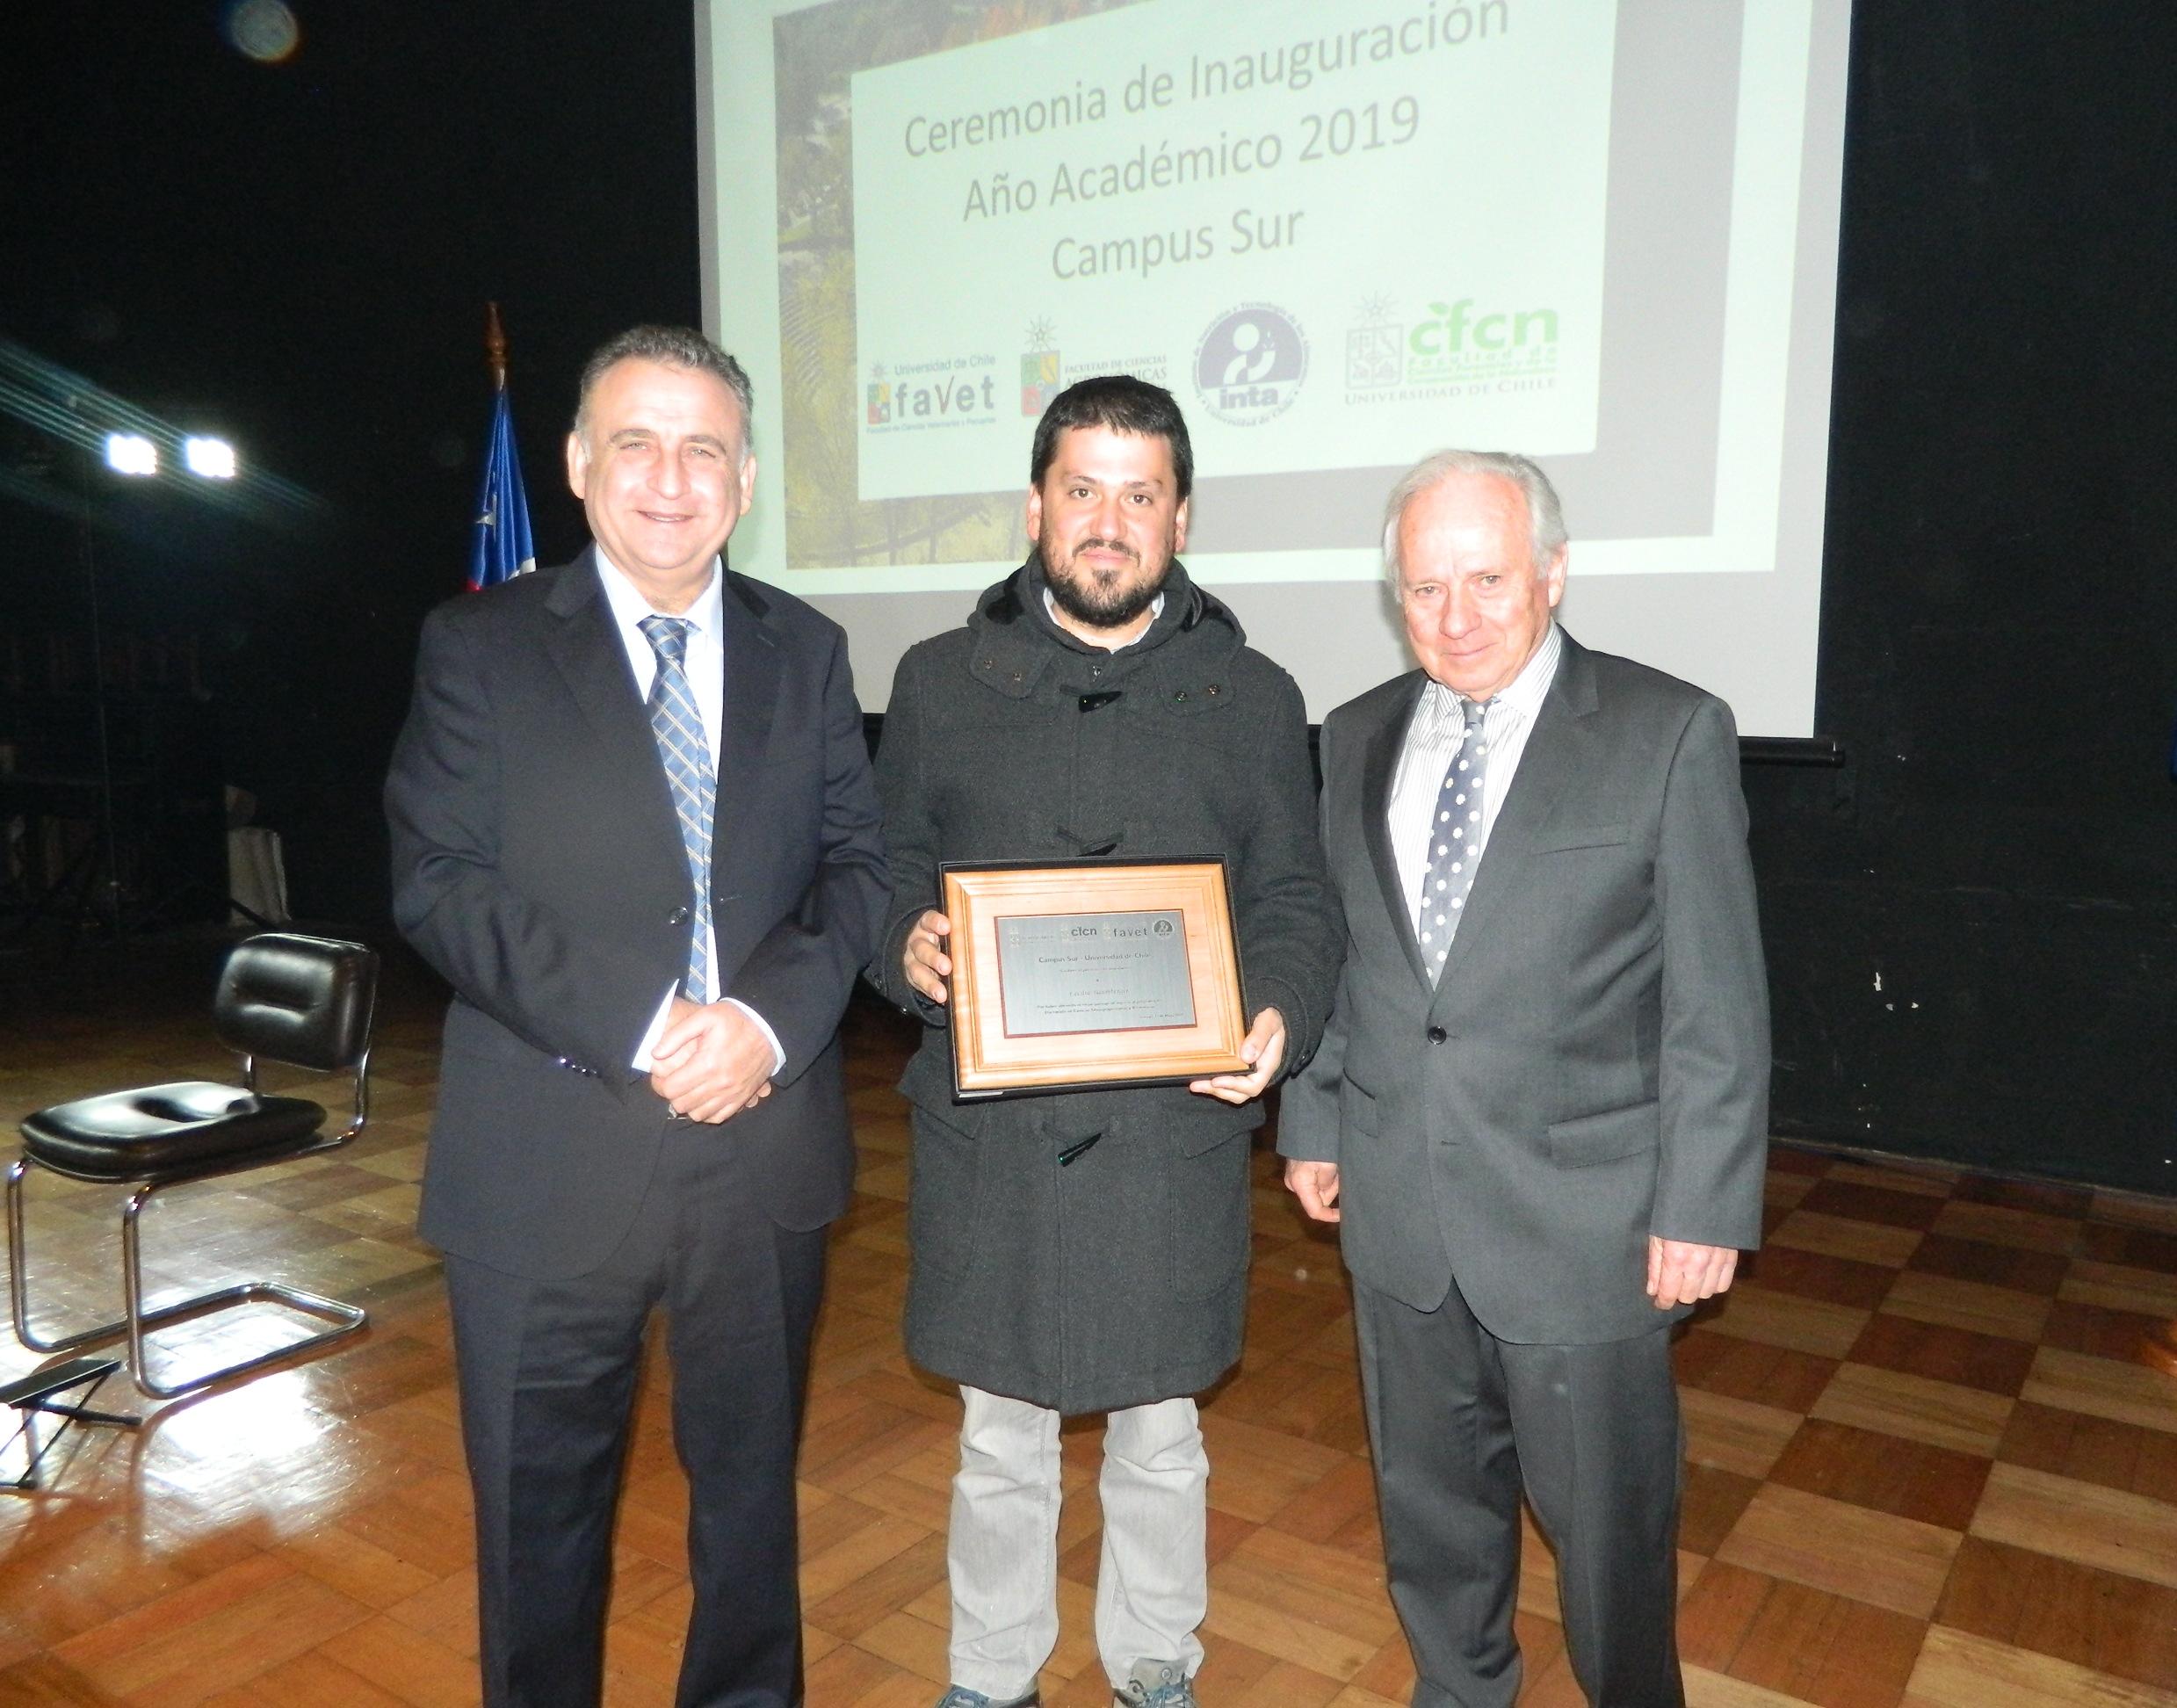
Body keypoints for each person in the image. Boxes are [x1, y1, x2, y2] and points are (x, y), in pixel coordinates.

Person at [385, 324, 889, 1707]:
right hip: (548, 1151)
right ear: (577, 464)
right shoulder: (480, 644)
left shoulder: (809, 647)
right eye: (636, 442)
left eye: (704, 448)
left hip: (760, 1146)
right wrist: (651, 1021)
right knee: (534, 1530)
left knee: (750, 1515)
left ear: (743, 479)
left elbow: (861, 869)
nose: (671, 477)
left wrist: (767, 1026)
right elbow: (435, 882)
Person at [868, 375, 1342, 1708]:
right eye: (1083, 490)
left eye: (1140, 496)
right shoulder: (935, 681)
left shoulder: (1253, 694)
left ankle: (1153, 1664)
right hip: (992, 1134)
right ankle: (990, 1673)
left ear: (1181, 517)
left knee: (1161, 1432)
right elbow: (883, 869)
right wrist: (903, 945)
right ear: (1036, 506)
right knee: (1000, 1435)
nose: (1108, 522)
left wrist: (1282, 1016)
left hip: (1168, 1132)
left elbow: (1297, 901)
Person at [1277, 450, 1770, 1707]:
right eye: (1424, 587)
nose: (1456, 617)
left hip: (1585, 1224)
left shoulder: (1668, 733)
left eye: (1487, 578)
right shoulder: (1357, 733)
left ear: (1552, 572)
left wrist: (1704, 1204)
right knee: (1431, 1520)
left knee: (1608, 1537)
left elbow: (1718, 998)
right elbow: (1352, 954)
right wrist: (1316, 1118)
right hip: (1398, 1206)